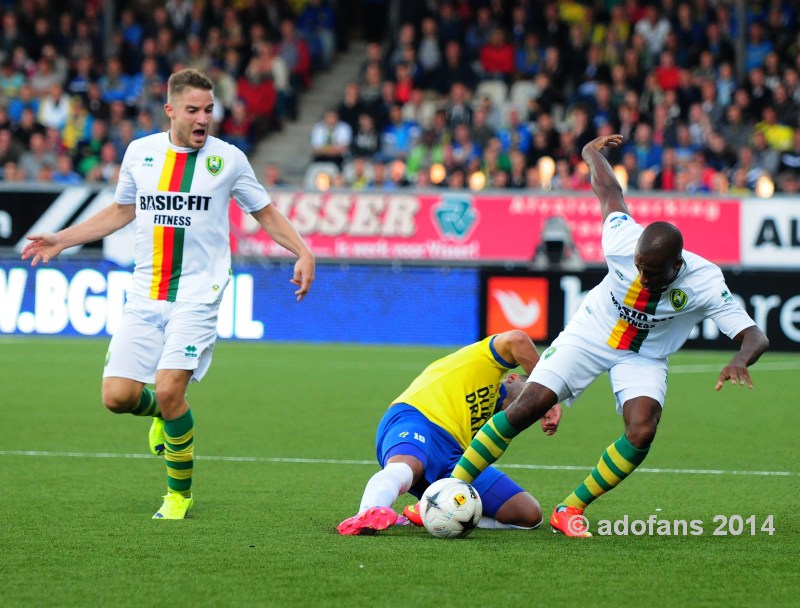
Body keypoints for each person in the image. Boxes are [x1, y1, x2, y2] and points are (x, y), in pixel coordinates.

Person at [21, 69, 315, 520]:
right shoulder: (141, 153)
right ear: (171, 111)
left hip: (199, 293)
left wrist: (302, 250)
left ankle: (178, 495)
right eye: (194, 110)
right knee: (117, 397)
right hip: (146, 292)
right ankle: (166, 412)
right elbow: (121, 211)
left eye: (209, 111)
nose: (203, 120)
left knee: (169, 387)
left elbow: (266, 212)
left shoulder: (229, 160)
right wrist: (62, 239)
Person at [451, 134, 769, 538]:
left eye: (653, 273)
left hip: (644, 355)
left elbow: (754, 335)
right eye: (639, 267)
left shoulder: (705, 280)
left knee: (642, 430)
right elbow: (609, 190)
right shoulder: (621, 239)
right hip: (591, 332)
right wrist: (589, 153)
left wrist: (740, 359)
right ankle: (450, 489)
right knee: (526, 407)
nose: (643, 277)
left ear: (677, 266)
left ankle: (570, 507)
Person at [337, 330, 563, 535]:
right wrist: (546, 391)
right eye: (530, 393)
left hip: (455, 459)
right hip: (418, 417)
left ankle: (432, 516)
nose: (531, 402)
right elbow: (518, 339)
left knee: (529, 515)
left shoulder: (498, 417)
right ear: (513, 377)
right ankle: (367, 514)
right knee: (407, 466)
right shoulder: (486, 362)